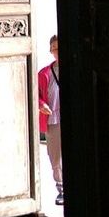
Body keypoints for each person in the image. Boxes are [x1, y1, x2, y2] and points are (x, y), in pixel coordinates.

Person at [38, 35, 63, 205]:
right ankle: (61, 189)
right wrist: (41, 104)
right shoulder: (44, 73)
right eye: (53, 48)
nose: (56, 51)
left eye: (58, 47)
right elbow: (36, 95)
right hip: (53, 119)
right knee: (55, 156)